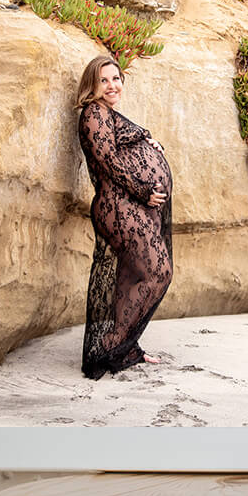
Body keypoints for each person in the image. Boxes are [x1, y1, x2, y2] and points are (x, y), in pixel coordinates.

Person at [74, 54, 174, 378]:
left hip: (128, 206)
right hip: (118, 207)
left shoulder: (108, 114)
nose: (111, 85)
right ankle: (113, 343)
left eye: (116, 78)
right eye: (103, 80)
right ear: (92, 85)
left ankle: (127, 346)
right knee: (159, 272)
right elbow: (108, 160)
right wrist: (144, 189)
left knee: (132, 276)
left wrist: (146, 139)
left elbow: (124, 143)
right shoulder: (93, 112)